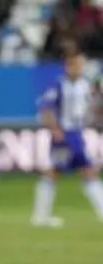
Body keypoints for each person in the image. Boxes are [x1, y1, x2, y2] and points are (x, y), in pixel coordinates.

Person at [32, 48, 103, 227]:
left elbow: (91, 106)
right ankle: (40, 216)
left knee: (72, 171)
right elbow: (45, 108)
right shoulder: (58, 85)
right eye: (77, 64)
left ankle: (40, 216)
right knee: (82, 171)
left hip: (77, 133)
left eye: (82, 64)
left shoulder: (85, 84)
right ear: (68, 66)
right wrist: (54, 129)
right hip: (65, 134)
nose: (80, 67)